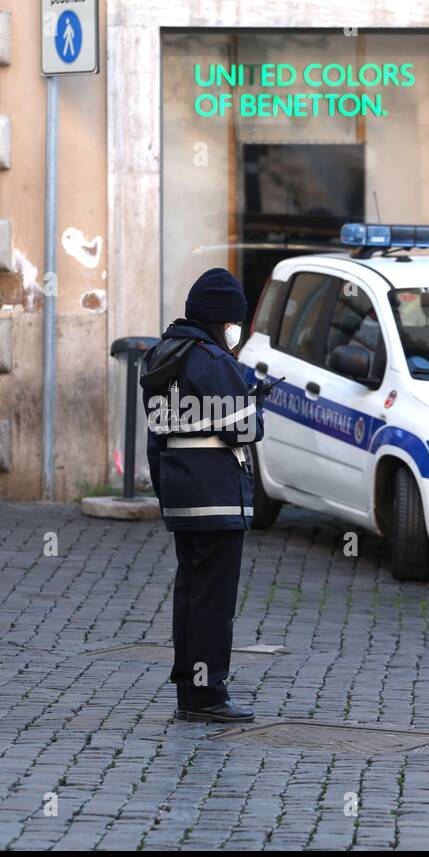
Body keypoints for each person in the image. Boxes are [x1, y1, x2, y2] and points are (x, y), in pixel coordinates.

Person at [139, 268, 275, 723]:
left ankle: (189, 691)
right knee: (215, 603)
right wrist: (250, 398)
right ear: (222, 320)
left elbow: (161, 432)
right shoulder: (214, 361)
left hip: (182, 496)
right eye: (234, 321)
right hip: (218, 497)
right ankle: (208, 695)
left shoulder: (162, 355)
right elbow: (245, 428)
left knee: (191, 596)